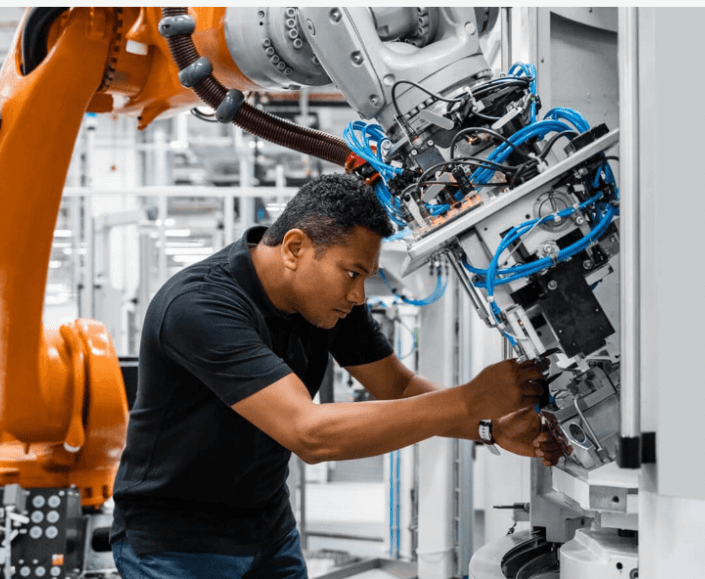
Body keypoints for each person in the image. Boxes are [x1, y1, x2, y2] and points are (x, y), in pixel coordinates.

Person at [110, 174, 564, 579]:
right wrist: (470, 399)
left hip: (266, 527)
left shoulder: (328, 303)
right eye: (352, 273)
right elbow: (310, 435)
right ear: (294, 248)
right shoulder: (200, 307)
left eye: (366, 275)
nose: (359, 293)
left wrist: (490, 428)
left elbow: (398, 387)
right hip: (176, 543)